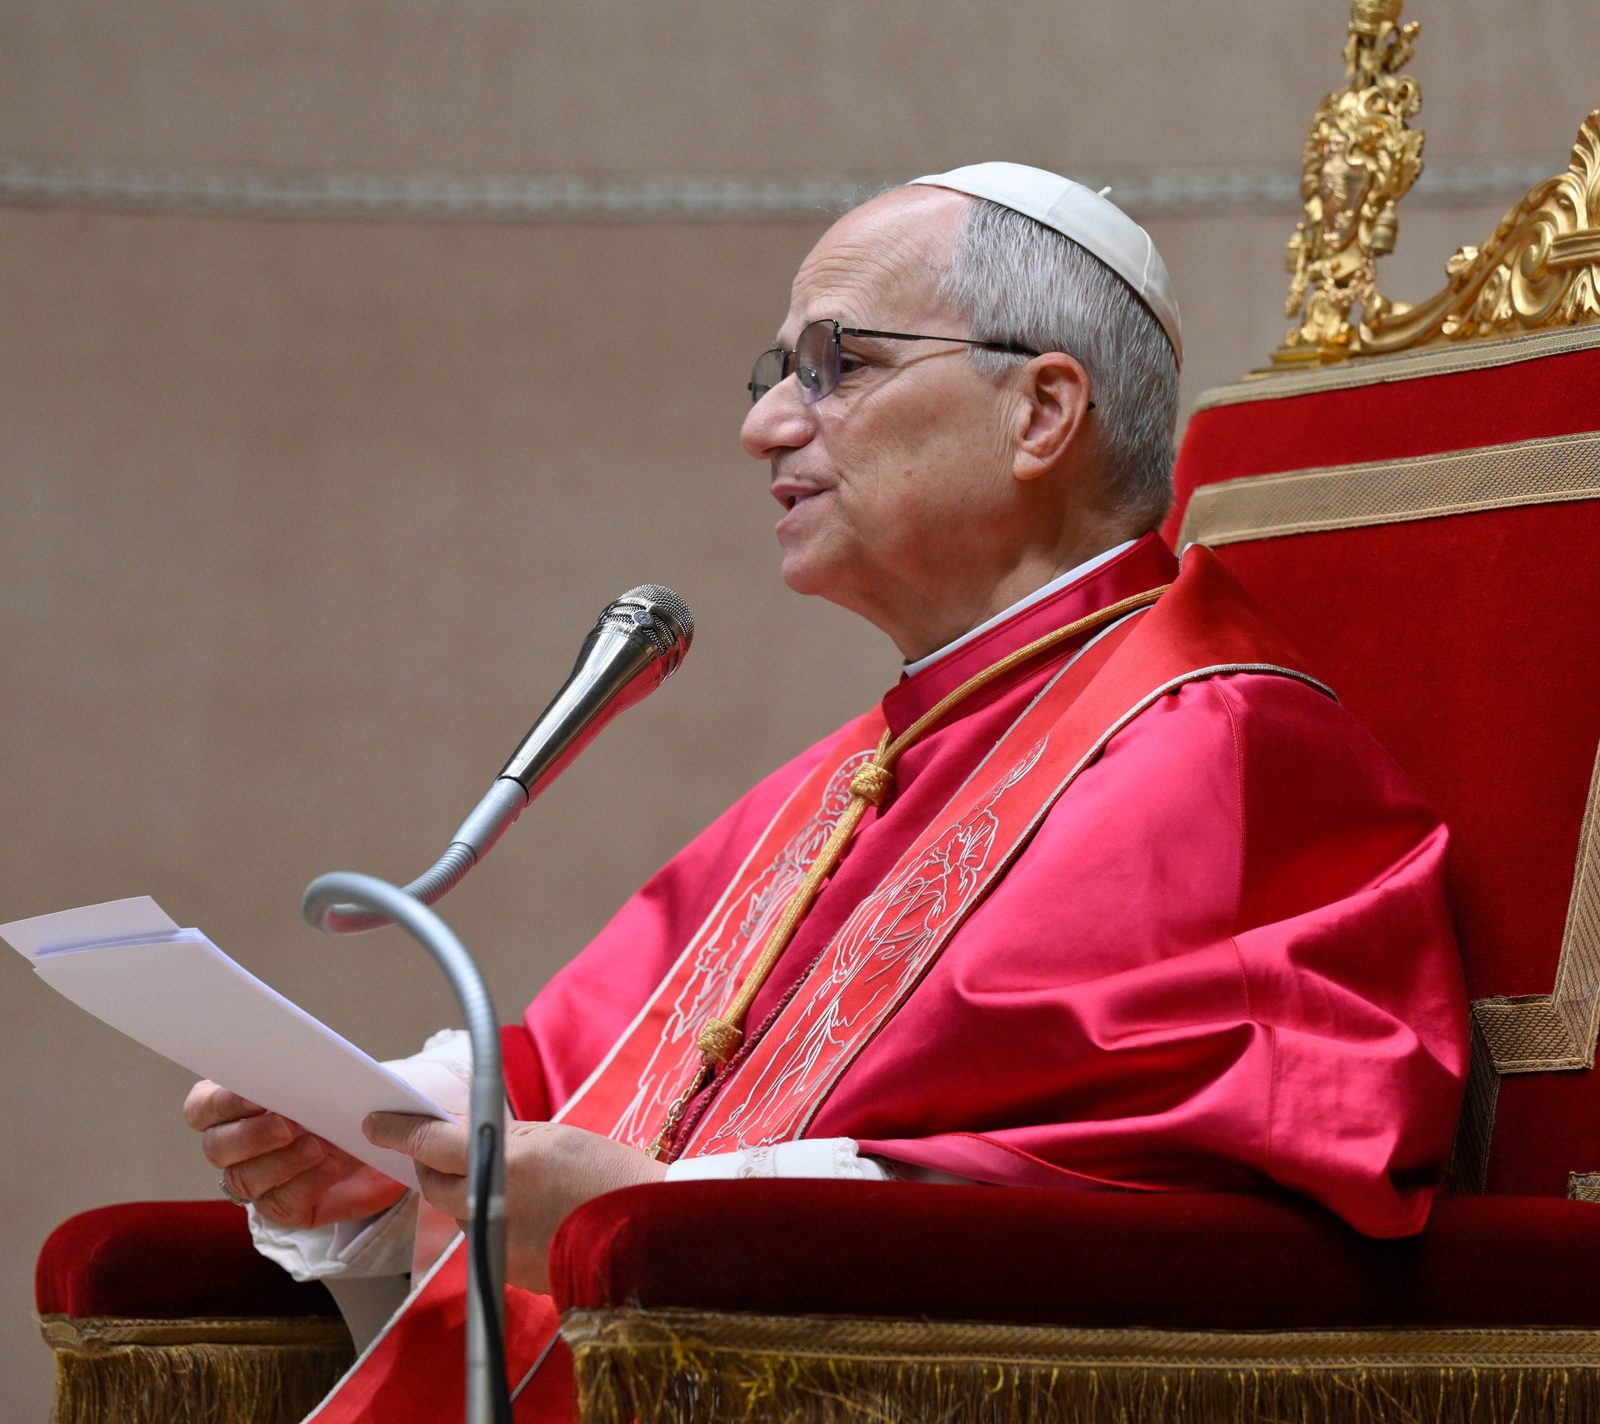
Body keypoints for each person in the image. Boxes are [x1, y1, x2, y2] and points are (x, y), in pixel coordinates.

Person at [184, 164, 1469, 1421]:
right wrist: (383, 1142)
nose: (767, 425)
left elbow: (1178, 1192)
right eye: (776, 374)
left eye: (838, 365)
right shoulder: (861, 766)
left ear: (1040, 411)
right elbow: (597, 1074)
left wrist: (662, 1218)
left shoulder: (1219, 741)